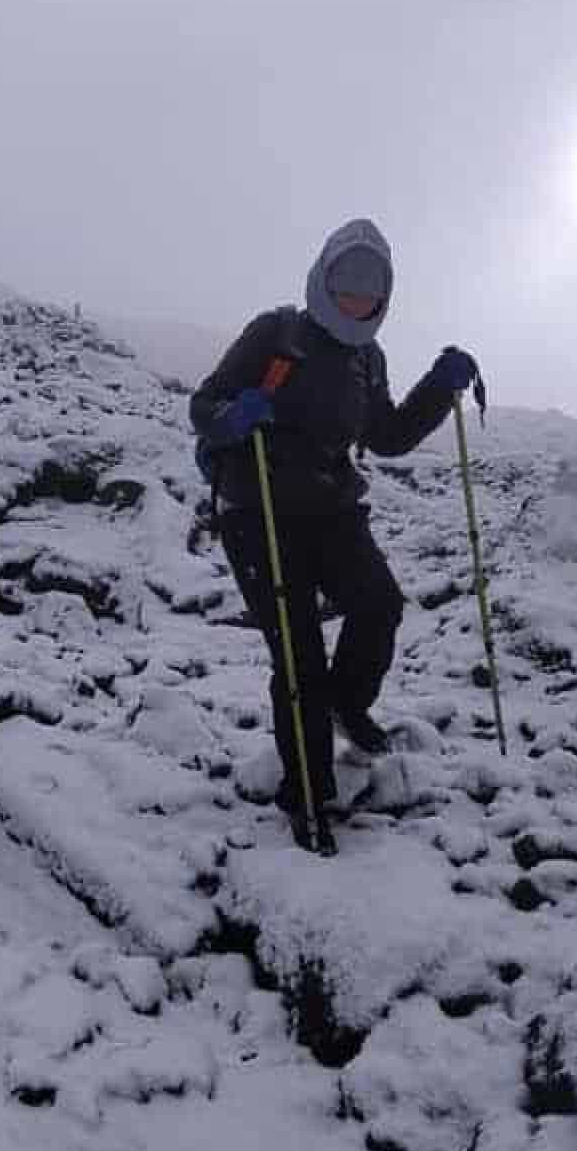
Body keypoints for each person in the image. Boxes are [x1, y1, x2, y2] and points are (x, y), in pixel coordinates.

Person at [190, 218, 479, 844]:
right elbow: (204, 407)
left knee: (378, 604)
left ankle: (348, 705)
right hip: (257, 508)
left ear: (383, 297)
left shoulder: (365, 359)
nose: (355, 297)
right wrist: (235, 417)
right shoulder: (276, 333)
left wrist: (439, 385)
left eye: (368, 289)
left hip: (331, 507)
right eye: (345, 281)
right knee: (298, 658)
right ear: (324, 277)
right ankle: (309, 796)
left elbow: (388, 436)